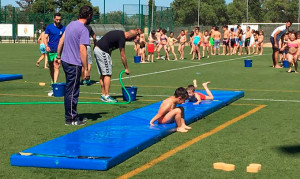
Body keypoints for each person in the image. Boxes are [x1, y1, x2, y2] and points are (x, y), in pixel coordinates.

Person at [56, 5, 93, 125]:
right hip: (73, 64)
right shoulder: (83, 29)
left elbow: (61, 40)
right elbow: (83, 50)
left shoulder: (71, 24)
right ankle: (71, 119)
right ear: (89, 15)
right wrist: (86, 68)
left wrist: (58, 56)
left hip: (65, 61)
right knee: (72, 91)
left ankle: (72, 115)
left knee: (69, 90)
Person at [94, 29, 138, 102]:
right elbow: (123, 55)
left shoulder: (120, 34)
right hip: (102, 51)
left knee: (103, 74)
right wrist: (126, 68)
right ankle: (107, 96)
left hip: (98, 49)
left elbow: (109, 45)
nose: (130, 40)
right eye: (131, 39)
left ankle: (103, 95)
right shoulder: (122, 38)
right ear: (129, 36)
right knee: (107, 74)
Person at [44, 13, 65, 87]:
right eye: (57, 19)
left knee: (57, 66)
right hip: (50, 50)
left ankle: (55, 83)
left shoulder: (63, 28)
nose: (58, 21)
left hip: (58, 51)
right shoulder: (49, 27)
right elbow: (45, 37)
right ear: (54, 19)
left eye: (60, 19)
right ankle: (53, 81)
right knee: (51, 67)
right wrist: (46, 46)